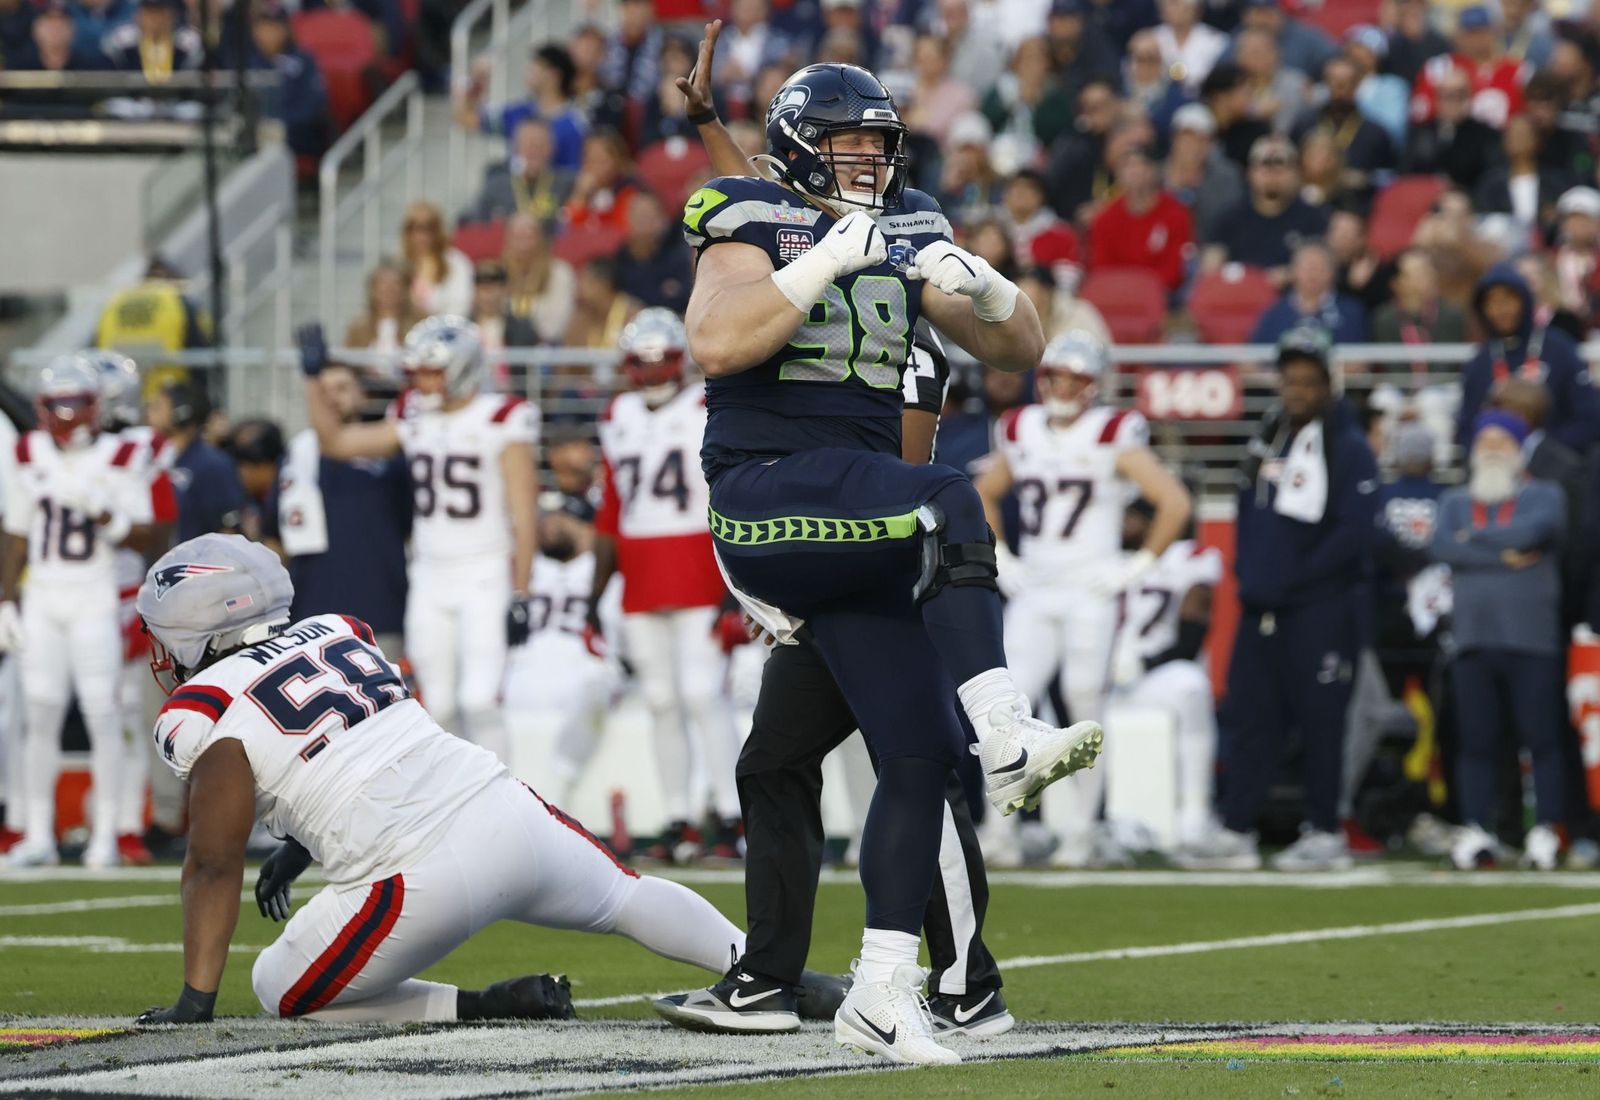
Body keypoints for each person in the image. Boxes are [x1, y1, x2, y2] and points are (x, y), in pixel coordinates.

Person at [680, 60, 1099, 1065]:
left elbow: (1023, 347)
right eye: (845, 143)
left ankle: (879, 987)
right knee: (950, 496)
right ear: (793, 144)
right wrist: (821, 261)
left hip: (866, 514)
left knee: (913, 758)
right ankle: (1007, 735)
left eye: (877, 144)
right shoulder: (744, 211)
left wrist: (989, 284)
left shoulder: (910, 219)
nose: (865, 161)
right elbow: (716, 340)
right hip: (769, 489)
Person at [129, 534, 846, 1026]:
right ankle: (781, 976)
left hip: (417, 879)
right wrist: (300, 843)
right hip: (506, 808)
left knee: (277, 988)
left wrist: (196, 999)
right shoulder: (339, 631)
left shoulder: (202, 706)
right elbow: (369, 740)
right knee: (627, 896)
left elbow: (214, 861)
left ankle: (484, 1004)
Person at [974, 331, 1192, 866]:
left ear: (1094, 385)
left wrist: (1136, 565)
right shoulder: (1020, 427)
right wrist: (1002, 554)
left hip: (1089, 588)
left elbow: (1173, 502)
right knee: (1005, 708)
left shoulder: (1113, 431)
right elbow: (982, 492)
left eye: (1076, 378)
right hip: (1037, 587)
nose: (1063, 388)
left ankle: (1081, 831)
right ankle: (999, 832)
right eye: (1056, 376)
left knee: (1083, 699)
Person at [1177, 326, 1378, 872]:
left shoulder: (1348, 445)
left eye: (1308, 381)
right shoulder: (1269, 435)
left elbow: (1355, 533)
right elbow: (1251, 511)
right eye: (1290, 380)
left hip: (1321, 609)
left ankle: (1324, 830)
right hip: (1261, 606)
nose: (1297, 391)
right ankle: (1237, 828)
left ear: (1327, 384)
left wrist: (1294, 581)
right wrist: (1251, 574)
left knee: (1320, 721)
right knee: (1248, 717)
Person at [299, 317, 537, 765]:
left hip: (484, 569)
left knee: (480, 700)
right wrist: (314, 381)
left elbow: (525, 515)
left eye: (432, 371)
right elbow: (337, 442)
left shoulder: (501, 418)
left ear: (462, 368)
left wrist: (522, 590)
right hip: (430, 572)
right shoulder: (413, 415)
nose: (422, 382)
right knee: (438, 705)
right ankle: (456, 806)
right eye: (418, 372)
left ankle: (507, 799)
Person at [586, 309, 743, 861]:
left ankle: (730, 818)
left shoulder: (708, 404)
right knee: (660, 701)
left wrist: (735, 579)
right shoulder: (618, 413)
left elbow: (733, 491)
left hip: (701, 564)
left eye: (662, 363)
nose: (653, 376)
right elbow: (611, 508)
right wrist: (593, 593)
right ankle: (679, 821)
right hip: (640, 573)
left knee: (703, 695)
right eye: (642, 365)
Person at [0, 357, 167, 868]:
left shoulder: (121, 455)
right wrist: (7, 597)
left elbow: (149, 533)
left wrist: (106, 515)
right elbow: (18, 531)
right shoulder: (28, 451)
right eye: (59, 405)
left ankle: (105, 837)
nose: (68, 415)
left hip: (95, 595)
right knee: (40, 715)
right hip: (47, 596)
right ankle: (35, 834)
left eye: (77, 403)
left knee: (102, 712)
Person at [1431, 412, 1565, 871]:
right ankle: (1474, 827)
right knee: (1475, 741)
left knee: (1541, 738)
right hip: (1472, 637)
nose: (1490, 448)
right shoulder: (1454, 501)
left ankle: (1546, 828)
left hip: (1532, 639)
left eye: (1500, 440)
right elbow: (1442, 546)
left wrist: (1475, 541)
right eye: (1483, 439)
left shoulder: (1544, 495)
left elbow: (1534, 531)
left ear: (1519, 447)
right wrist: (1504, 554)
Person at [266, 360, 411, 661]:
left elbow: (412, 530)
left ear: (363, 395)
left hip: (381, 617)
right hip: (308, 621)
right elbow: (274, 538)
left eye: (342, 388)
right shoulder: (295, 456)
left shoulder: (395, 458)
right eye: (323, 390)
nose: (332, 397)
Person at [1113, 500, 1222, 849]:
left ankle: (1195, 814)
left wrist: (1144, 664)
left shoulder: (1189, 558)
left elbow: (1191, 637)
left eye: (1129, 519)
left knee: (1191, 687)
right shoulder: (1103, 557)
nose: (1121, 526)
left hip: (1152, 674)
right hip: (1097, 676)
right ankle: (1083, 821)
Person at [501, 493, 615, 808]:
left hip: (584, 668)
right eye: (545, 518)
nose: (549, 525)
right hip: (526, 670)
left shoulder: (604, 570)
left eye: (560, 517)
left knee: (594, 687)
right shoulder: (527, 568)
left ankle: (558, 795)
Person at [1455, 264, 1600, 455]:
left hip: (1556, 463)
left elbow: (1589, 417)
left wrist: (1542, 450)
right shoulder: (1480, 361)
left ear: (1525, 301)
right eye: (1491, 302)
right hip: (1495, 463)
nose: (1501, 309)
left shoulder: (1559, 348)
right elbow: (1466, 428)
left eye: (1508, 299)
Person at [1203, 135, 1330, 283]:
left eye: (1281, 165)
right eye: (1265, 165)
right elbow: (1211, 269)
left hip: (1293, 299)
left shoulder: (1314, 217)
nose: (1272, 173)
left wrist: (1288, 275)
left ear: (1296, 173)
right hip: (1240, 296)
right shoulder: (1228, 218)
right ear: (1250, 173)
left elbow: (1322, 266)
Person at [455, 43, 586, 169]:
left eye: (535, 67)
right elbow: (466, 118)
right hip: (514, 189)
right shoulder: (520, 112)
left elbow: (573, 173)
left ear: (554, 75)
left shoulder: (575, 124)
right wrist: (476, 80)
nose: (528, 71)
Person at [146, 380, 247, 543]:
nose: (149, 412)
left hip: (196, 564)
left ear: (182, 412)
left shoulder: (211, 465)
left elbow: (229, 531)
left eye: (158, 406)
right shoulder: (154, 460)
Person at [1087, 143, 1193, 295]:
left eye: (1141, 165)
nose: (1134, 172)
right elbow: (1102, 268)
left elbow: (1174, 270)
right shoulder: (1105, 218)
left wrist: (1141, 287)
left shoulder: (1175, 213)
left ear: (1154, 171)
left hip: (1163, 294)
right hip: (1117, 293)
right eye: (1127, 166)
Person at [1409, 4, 1528, 131]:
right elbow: (1419, 113)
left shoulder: (1517, 71)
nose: (1475, 39)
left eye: (1480, 31)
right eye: (1469, 32)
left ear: (1494, 32)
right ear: (1458, 35)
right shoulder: (1441, 67)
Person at [237, 2, 329, 158]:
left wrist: (282, 125)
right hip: (258, 136)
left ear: (285, 29)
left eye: (274, 27)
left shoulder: (303, 60)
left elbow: (314, 102)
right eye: (263, 27)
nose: (268, 33)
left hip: (298, 135)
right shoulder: (246, 63)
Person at [1471, 113, 1574, 235]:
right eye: (1513, 135)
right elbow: (1483, 218)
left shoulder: (1556, 182)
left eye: (1523, 134)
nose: (1518, 139)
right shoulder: (1489, 183)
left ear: (1537, 140)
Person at [1249, 240, 1368, 345]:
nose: (1312, 274)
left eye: (1318, 267)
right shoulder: (1274, 312)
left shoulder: (1351, 311)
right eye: (1306, 267)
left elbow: (1359, 360)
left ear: (1332, 272)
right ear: (1293, 271)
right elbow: (1251, 356)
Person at [1400, 65, 1501, 189]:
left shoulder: (1486, 135)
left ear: (1468, 97)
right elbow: (1407, 172)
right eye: (1445, 96)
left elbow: (1488, 177)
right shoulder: (1421, 133)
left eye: (1458, 96)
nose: (1451, 103)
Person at [464, 117, 574, 226]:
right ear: (516, 148)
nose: (535, 150)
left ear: (552, 148)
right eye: (530, 144)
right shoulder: (496, 186)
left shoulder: (567, 184)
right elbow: (477, 228)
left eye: (541, 144)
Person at [1163, 104, 1243, 246]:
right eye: (1187, 138)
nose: (1193, 146)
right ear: (1174, 139)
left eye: (1201, 140)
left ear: (1211, 144)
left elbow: (1229, 222)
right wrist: (1173, 187)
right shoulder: (1156, 175)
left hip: (1211, 251)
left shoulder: (1227, 177)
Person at [614, 190, 694, 314]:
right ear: (627, 219)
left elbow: (685, 300)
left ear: (662, 220)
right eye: (639, 216)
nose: (645, 223)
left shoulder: (678, 260)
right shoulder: (616, 263)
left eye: (650, 216)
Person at [399, 201, 473, 319]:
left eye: (429, 228)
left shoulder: (456, 263)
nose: (421, 236)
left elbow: (460, 308)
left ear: (438, 231)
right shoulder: (400, 264)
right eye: (414, 228)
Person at [344, 258, 422, 357]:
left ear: (405, 289)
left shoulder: (420, 325)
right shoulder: (358, 328)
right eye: (382, 284)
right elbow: (346, 360)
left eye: (395, 284)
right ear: (373, 289)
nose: (388, 290)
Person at [101, 0, 199, 78]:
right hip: (132, 98)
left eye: (160, 14)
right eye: (149, 15)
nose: (155, 21)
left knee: (190, 104)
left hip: (176, 98)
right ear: (138, 16)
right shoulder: (122, 40)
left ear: (171, 16)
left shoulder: (186, 42)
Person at [1153, 0, 1226, 93]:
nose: (1167, 9)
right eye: (1166, 5)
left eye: (1174, 4)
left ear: (1194, 9)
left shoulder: (1216, 41)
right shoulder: (1151, 38)